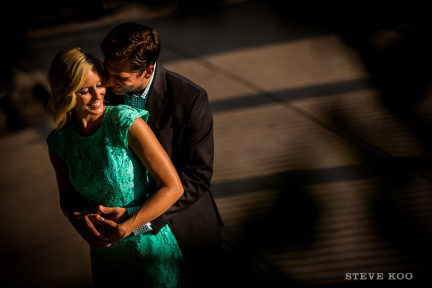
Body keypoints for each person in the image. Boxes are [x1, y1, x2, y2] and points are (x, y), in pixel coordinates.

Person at [46, 47, 185, 287]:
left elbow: (173, 187)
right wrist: (77, 219)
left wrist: (129, 227)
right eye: (85, 91)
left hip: (150, 247)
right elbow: (67, 198)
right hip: (106, 256)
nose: (98, 95)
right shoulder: (59, 142)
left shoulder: (123, 120)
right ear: (65, 93)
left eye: (100, 85)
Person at [100, 22, 224, 287]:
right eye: (107, 72)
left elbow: (198, 177)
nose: (108, 83)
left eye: (120, 78)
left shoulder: (190, 99)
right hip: (121, 242)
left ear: (148, 70)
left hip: (184, 228)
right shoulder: (103, 90)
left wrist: (137, 218)